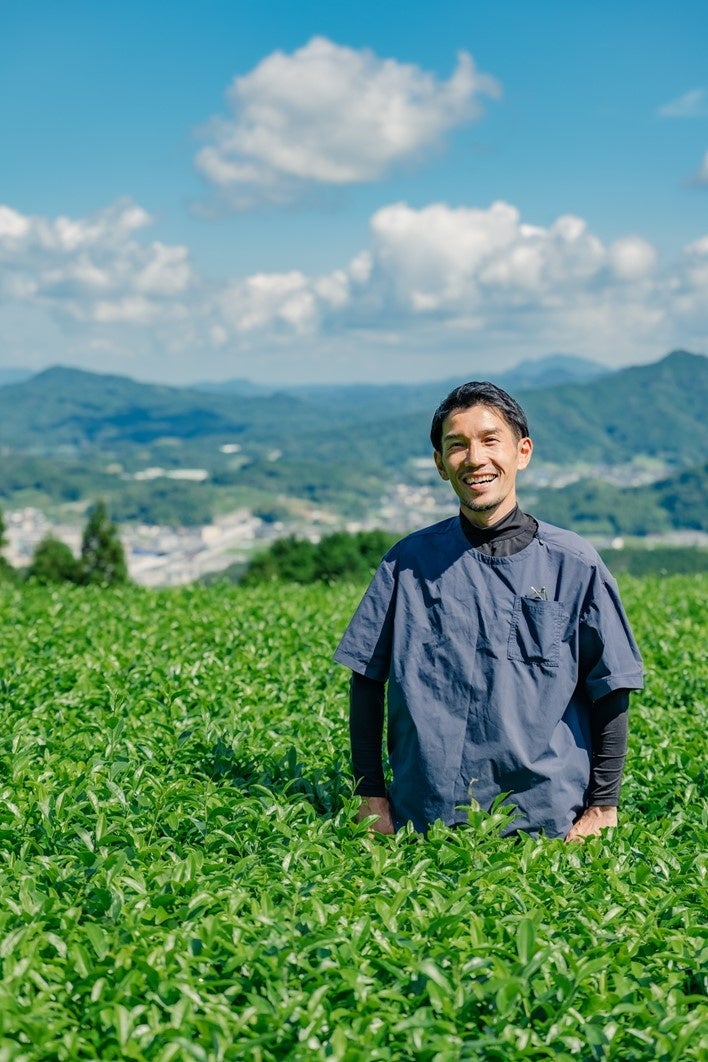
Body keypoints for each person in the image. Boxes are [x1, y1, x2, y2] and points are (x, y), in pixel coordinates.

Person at [334, 381, 644, 841]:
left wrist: (603, 805)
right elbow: (366, 680)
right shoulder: (407, 563)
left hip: (548, 823)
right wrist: (370, 796)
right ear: (441, 464)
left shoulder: (574, 564)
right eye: (456, 446)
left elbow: (612, 689)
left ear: (522, 451)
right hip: (425, 820)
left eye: (489, 440)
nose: (475, 458)